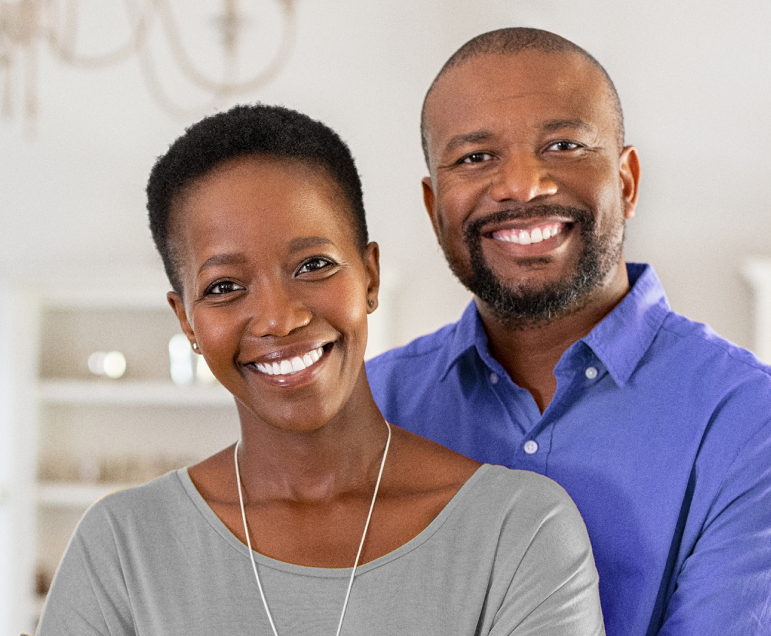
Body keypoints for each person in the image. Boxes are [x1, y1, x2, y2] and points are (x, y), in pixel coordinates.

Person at [34, 104, 605, 635]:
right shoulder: (123, 548)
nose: (280, 319)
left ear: (370, 277)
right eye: (225, 287)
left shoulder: (519, 532)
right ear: (186, 320)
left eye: (314, 265)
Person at [366, 27, 771, 636]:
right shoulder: (370, 410)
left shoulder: (758, 428)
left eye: (563, 145)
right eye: (475, 157)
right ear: (435, 207)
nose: (522, 184)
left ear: (628, 182)